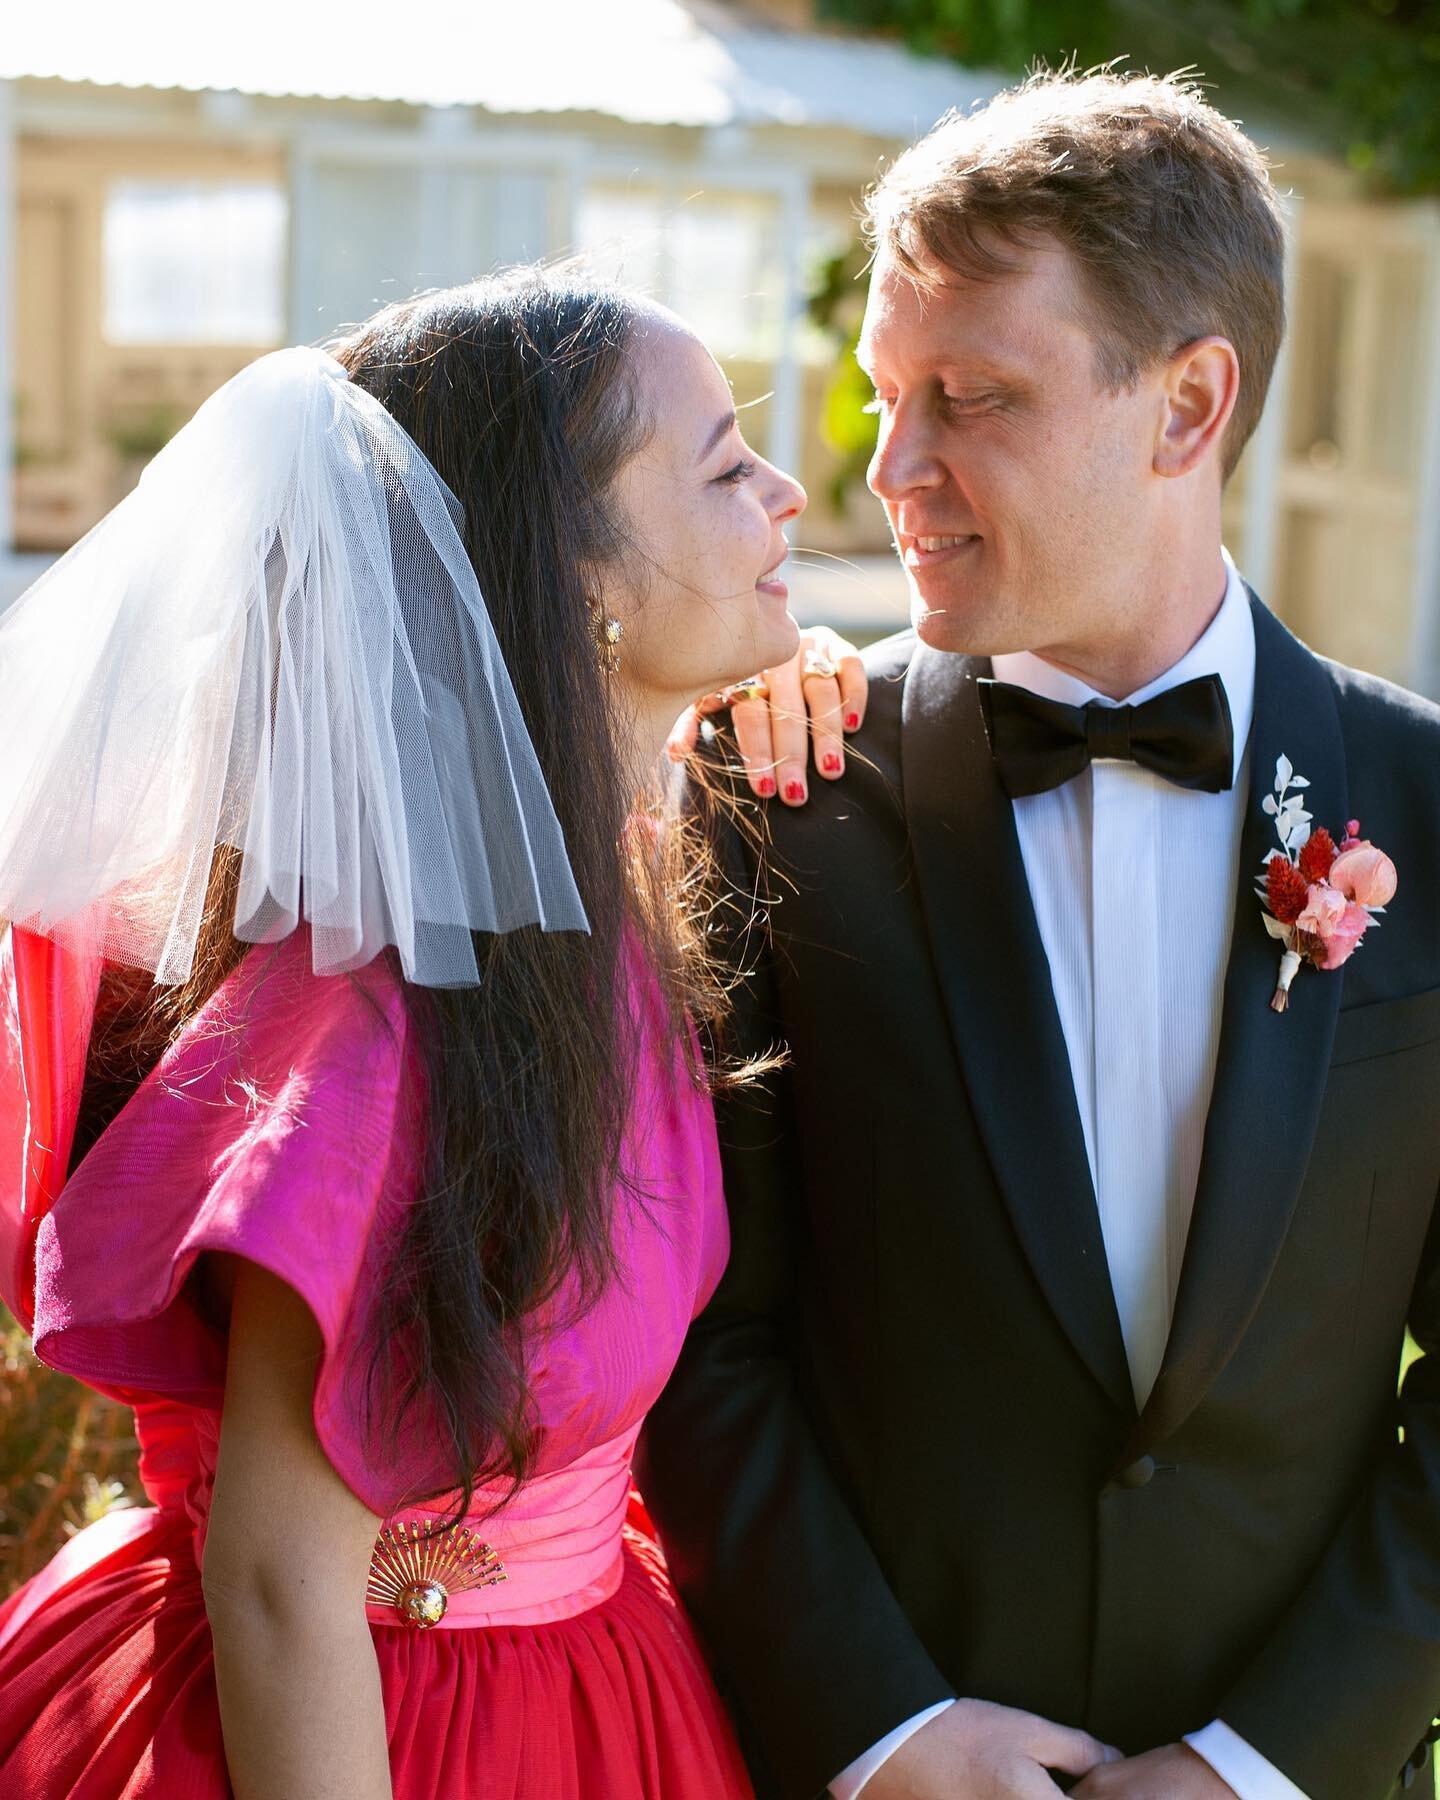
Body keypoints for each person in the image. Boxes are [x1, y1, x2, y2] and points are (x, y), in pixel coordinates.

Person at [639, 68, 1440, 1800]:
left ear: (1186, 406)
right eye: (881, 397)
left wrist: (1264, 1763)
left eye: (972, 398)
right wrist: (884, 1727)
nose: (889, 468)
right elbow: (701, 1332)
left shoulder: (1431, 807)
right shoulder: (779, 785)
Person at [0, 270, 866, 1800]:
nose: (791, 491)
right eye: (727, 464)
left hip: (594, 1682)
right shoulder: (395, 1012)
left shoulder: (600, 912)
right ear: (571, 572)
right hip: (378, 1728)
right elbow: (280, 1581)